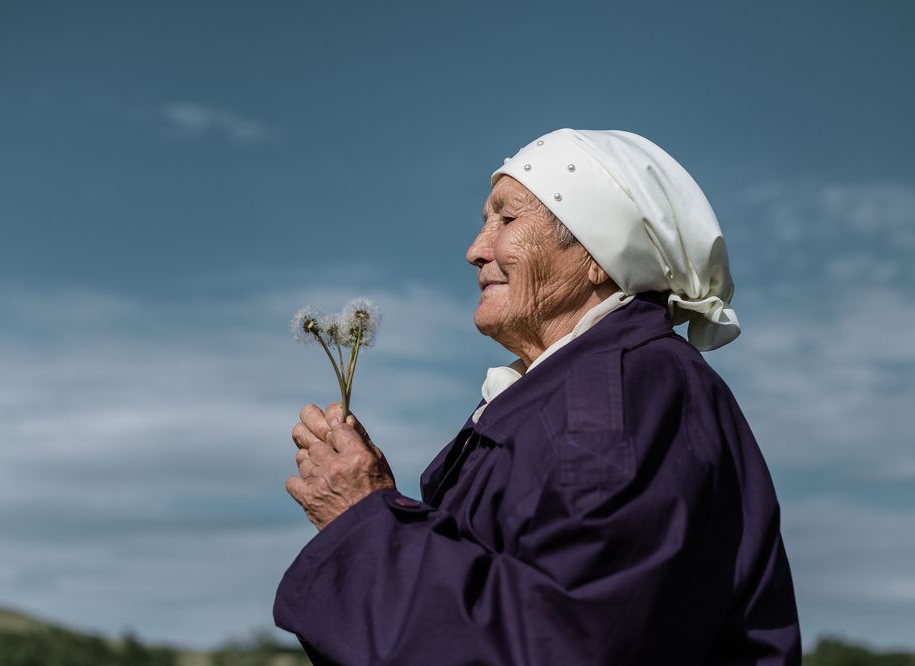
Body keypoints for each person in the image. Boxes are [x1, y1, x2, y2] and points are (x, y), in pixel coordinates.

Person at [274, 128, 802, 665]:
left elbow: (570, 640)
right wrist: (377, 513)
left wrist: (366, 524)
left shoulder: (615, 398)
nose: (475, 251)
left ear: (599, 255)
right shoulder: (585, 388)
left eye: (506, 219)